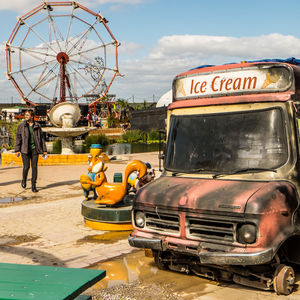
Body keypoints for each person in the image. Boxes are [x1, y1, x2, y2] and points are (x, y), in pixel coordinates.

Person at [14, 110, 47, 192]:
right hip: (25, 150)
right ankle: (24, 180)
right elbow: (18, 138)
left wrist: (44, 150)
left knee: (34, 167)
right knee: (26, 167)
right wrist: (17, 150)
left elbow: (42, 139)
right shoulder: (21, 126)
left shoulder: (37, 126)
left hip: (35, 149)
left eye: (27, 115)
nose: (26, 117)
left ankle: (33, 185)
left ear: (32, 116)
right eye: (25, 115)